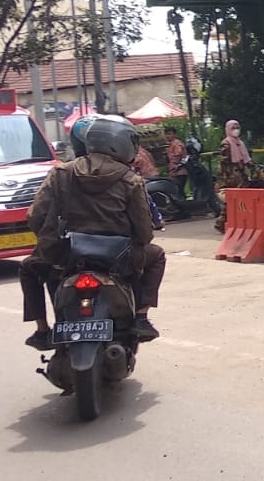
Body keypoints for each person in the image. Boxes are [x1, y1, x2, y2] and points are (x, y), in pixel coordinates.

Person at [22, 114, 166, 350]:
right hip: (117, 258)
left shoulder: (61, 173)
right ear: (120, 143)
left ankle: (42, 330)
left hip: (65, 255)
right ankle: (140, 316)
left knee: (29, 268)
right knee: (156, 255)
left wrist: (50, 241)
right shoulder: (131, 180)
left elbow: (34, 216)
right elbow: (143, 232)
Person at [213, 119, 253, 233]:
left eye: (237, 128)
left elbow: (247, 160)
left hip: (241, 175)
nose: (236, 130)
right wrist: (220, 180)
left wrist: (256, 171)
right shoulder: (226, 143)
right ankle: (221, 223)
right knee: (232, 201)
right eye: (233, 128)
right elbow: (223, 163)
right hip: (231, 177)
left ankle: (238, 222)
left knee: (240, 200)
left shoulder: (240, 143)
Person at [165, 126, 188, 195]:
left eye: (169, 134)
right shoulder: (171, 144)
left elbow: (178, 155)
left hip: (179, 171)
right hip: (175, 171)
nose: (167, 136)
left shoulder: (176, 144)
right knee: (178, 191)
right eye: (166, 134)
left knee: (178, 191)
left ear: (174, 134)